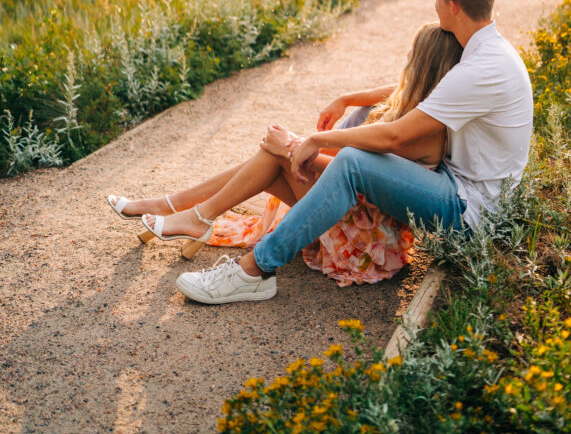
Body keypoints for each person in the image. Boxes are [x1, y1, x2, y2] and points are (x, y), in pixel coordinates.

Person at [168, 0, 533, 305]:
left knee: (352, 163)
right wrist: (349, 98)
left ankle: (252, 273)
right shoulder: (487, 55)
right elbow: (420, 88)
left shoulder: (481, 68)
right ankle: (192, 215)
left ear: (453, 6)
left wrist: (315, 140)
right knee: (338, 157)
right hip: (469, 195)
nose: (434, 3)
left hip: (470, 209)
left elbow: (394, 136)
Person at [106, 22, 463, 283]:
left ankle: (187, 212)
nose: (405, 56)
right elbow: (393, 90)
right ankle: (183, 210)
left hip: (366, 243)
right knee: (272, 157)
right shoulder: (419, 101)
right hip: (352, 215)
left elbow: (346, 174)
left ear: (424, 66)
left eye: (412, 54)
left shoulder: (425, 130)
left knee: (276, 153)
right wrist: (345, 99)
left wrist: (292, 146)